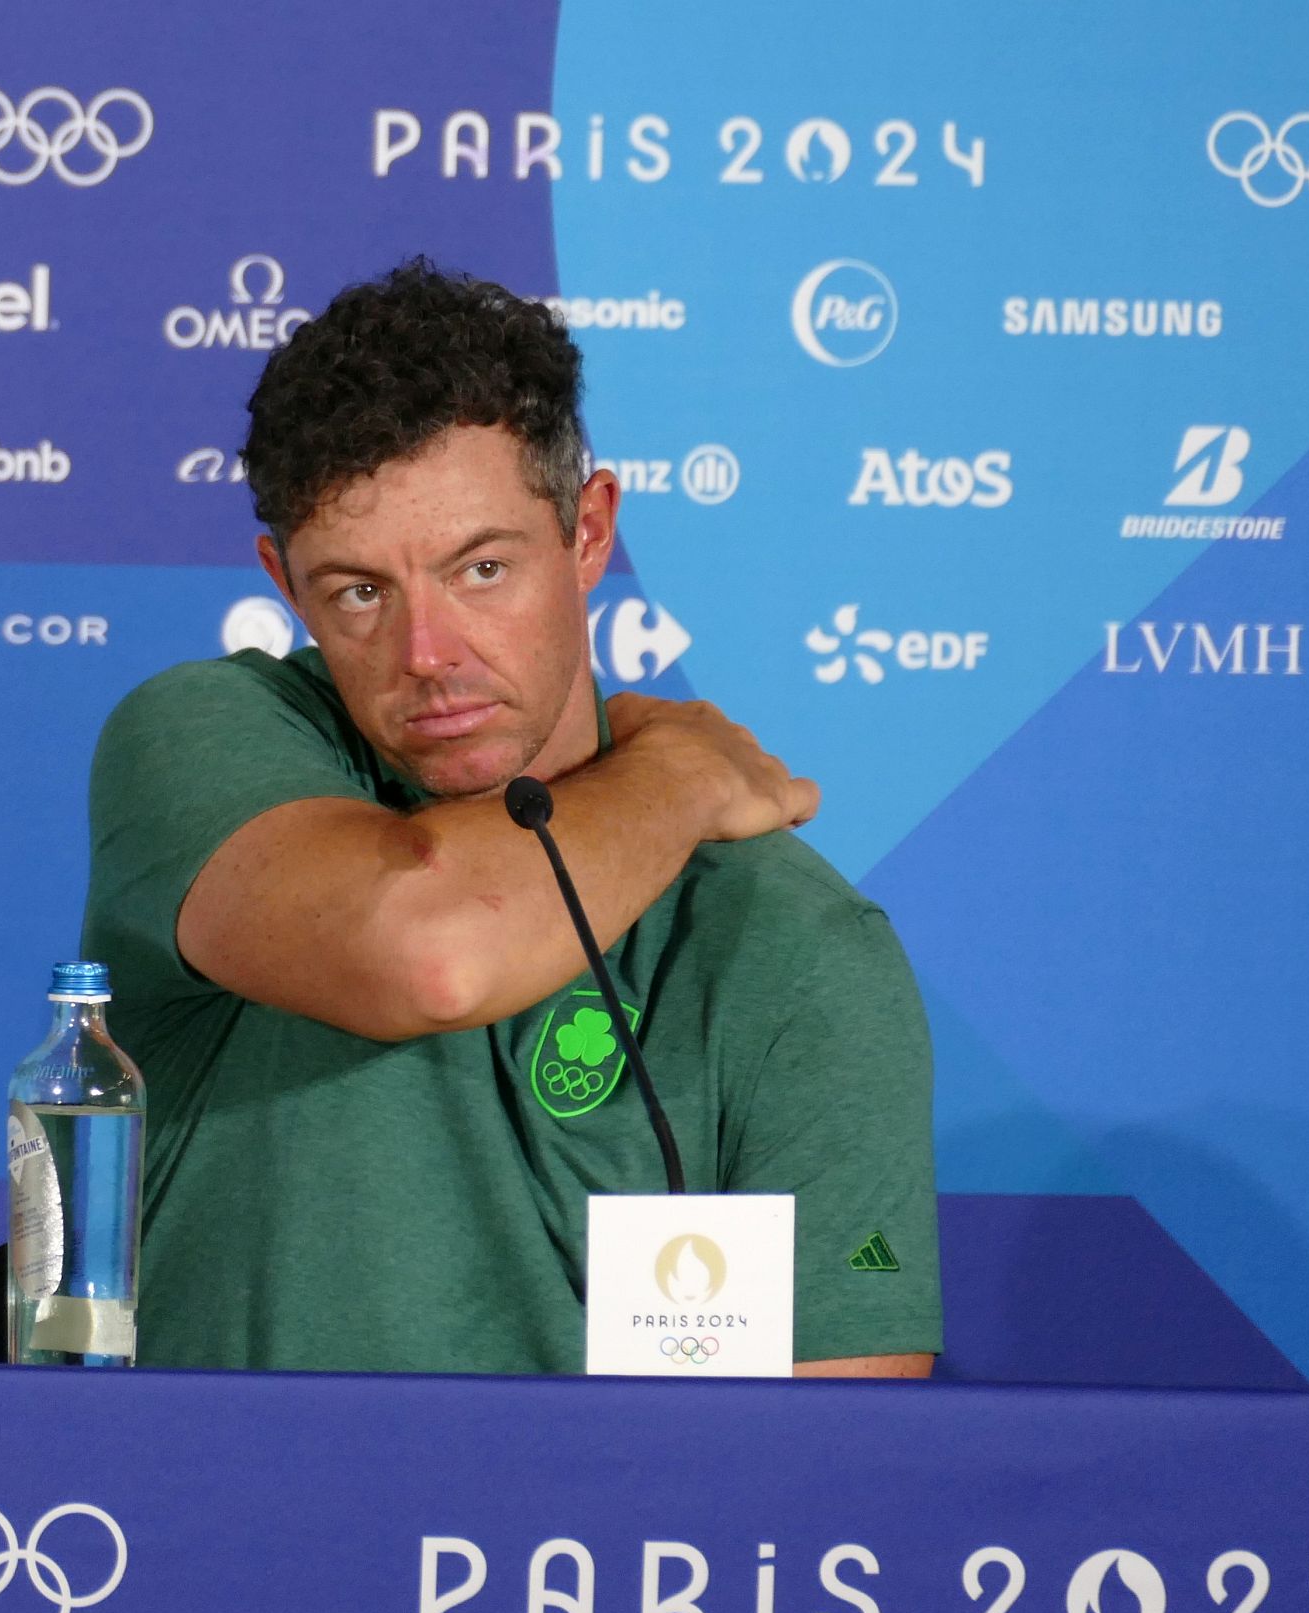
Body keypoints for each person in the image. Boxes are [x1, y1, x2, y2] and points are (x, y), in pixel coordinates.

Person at [82, 258, 939, 1376]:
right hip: (221, 1537)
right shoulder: (202, 739)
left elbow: (832, 1447)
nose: (426, 656)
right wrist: (678, 774)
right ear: (281, 585)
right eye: (356, 593)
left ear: (587, 534)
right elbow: (429, 950)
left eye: (481, 569)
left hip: (582, 1554)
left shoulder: (796, 940)